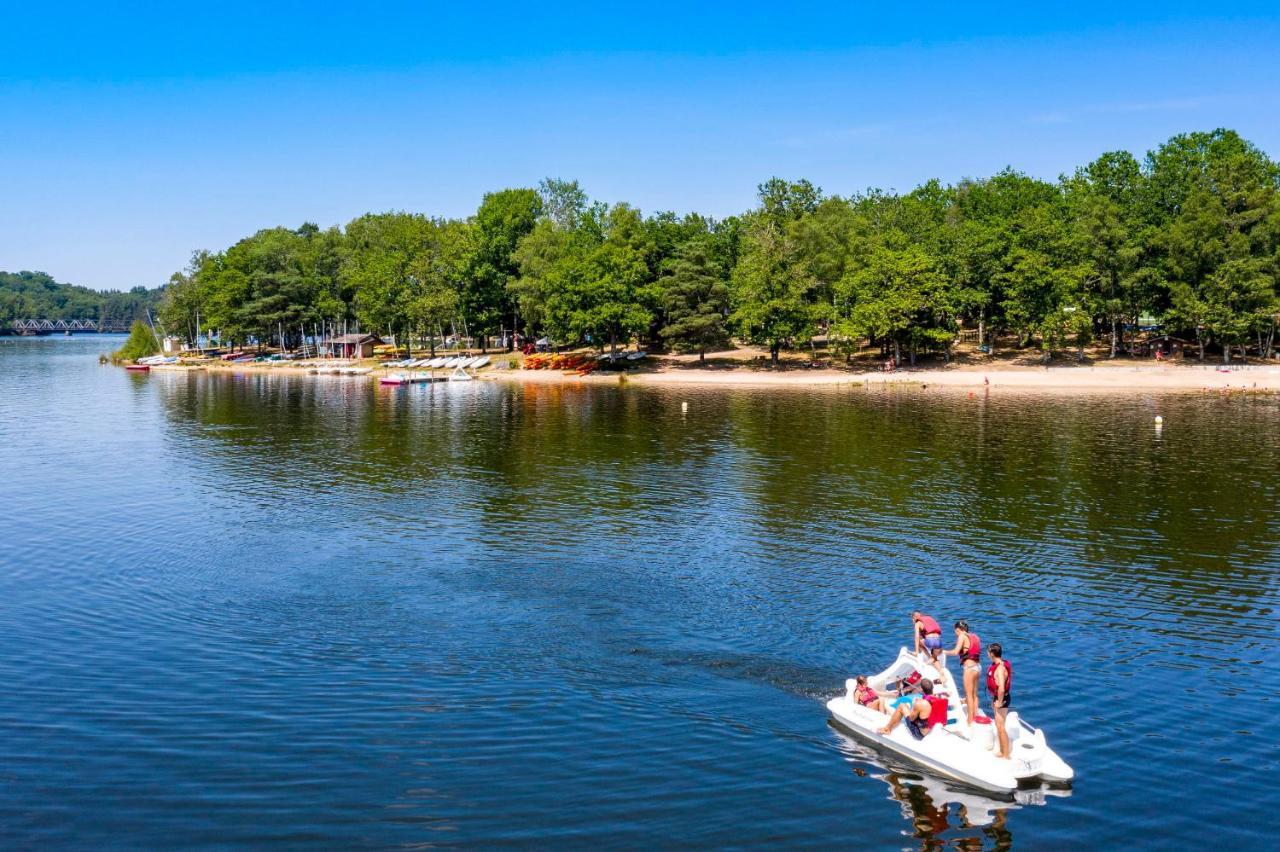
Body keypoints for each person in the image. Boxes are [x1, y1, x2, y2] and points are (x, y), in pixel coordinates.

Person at [877, 678, 946, 739]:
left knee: (902, 706)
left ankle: (887, 729)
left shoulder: (920, 703)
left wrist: (914, 705)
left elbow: (911, 719)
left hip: (919, 733)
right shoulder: (939, 699)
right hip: (930, 729)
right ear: (932, 688)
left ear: (921, 689)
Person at [945, 620, 982, 724]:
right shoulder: (974, 636)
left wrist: (943, 652)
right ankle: (976, 715)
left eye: (955, 632)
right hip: (978, 667)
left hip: (969, 668)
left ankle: (970, 720)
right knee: (975, 694)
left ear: (958, 630)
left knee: (968, 695)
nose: (956, 634)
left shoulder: (961, 636)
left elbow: (955, 652)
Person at [986, 643, 1013, 759]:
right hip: (999, 698)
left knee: (1001, 727)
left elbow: (1001, 688)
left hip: (1002, 699)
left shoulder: (1000, 669)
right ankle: (1002, 751)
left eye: (988, 652)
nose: (987, 654)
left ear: (992, 654)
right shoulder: (999, 664)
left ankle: (1006, 755)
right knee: (999, 726)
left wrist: (999, 702)